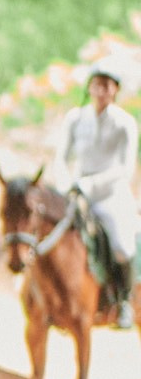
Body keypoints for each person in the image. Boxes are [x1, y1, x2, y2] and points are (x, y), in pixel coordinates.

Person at [53, 55, 138, 327]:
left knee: (122, 245)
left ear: (115, 90)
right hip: (76, 191)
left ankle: (123, 300)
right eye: (98, 84)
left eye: (108, 86)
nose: (102, 91)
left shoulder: (125, 123)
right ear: (90, 87)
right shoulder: (76, 119)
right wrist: (66, 183)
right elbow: (60, 157)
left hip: (110, 193)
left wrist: (91, 184)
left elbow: (124, 168)